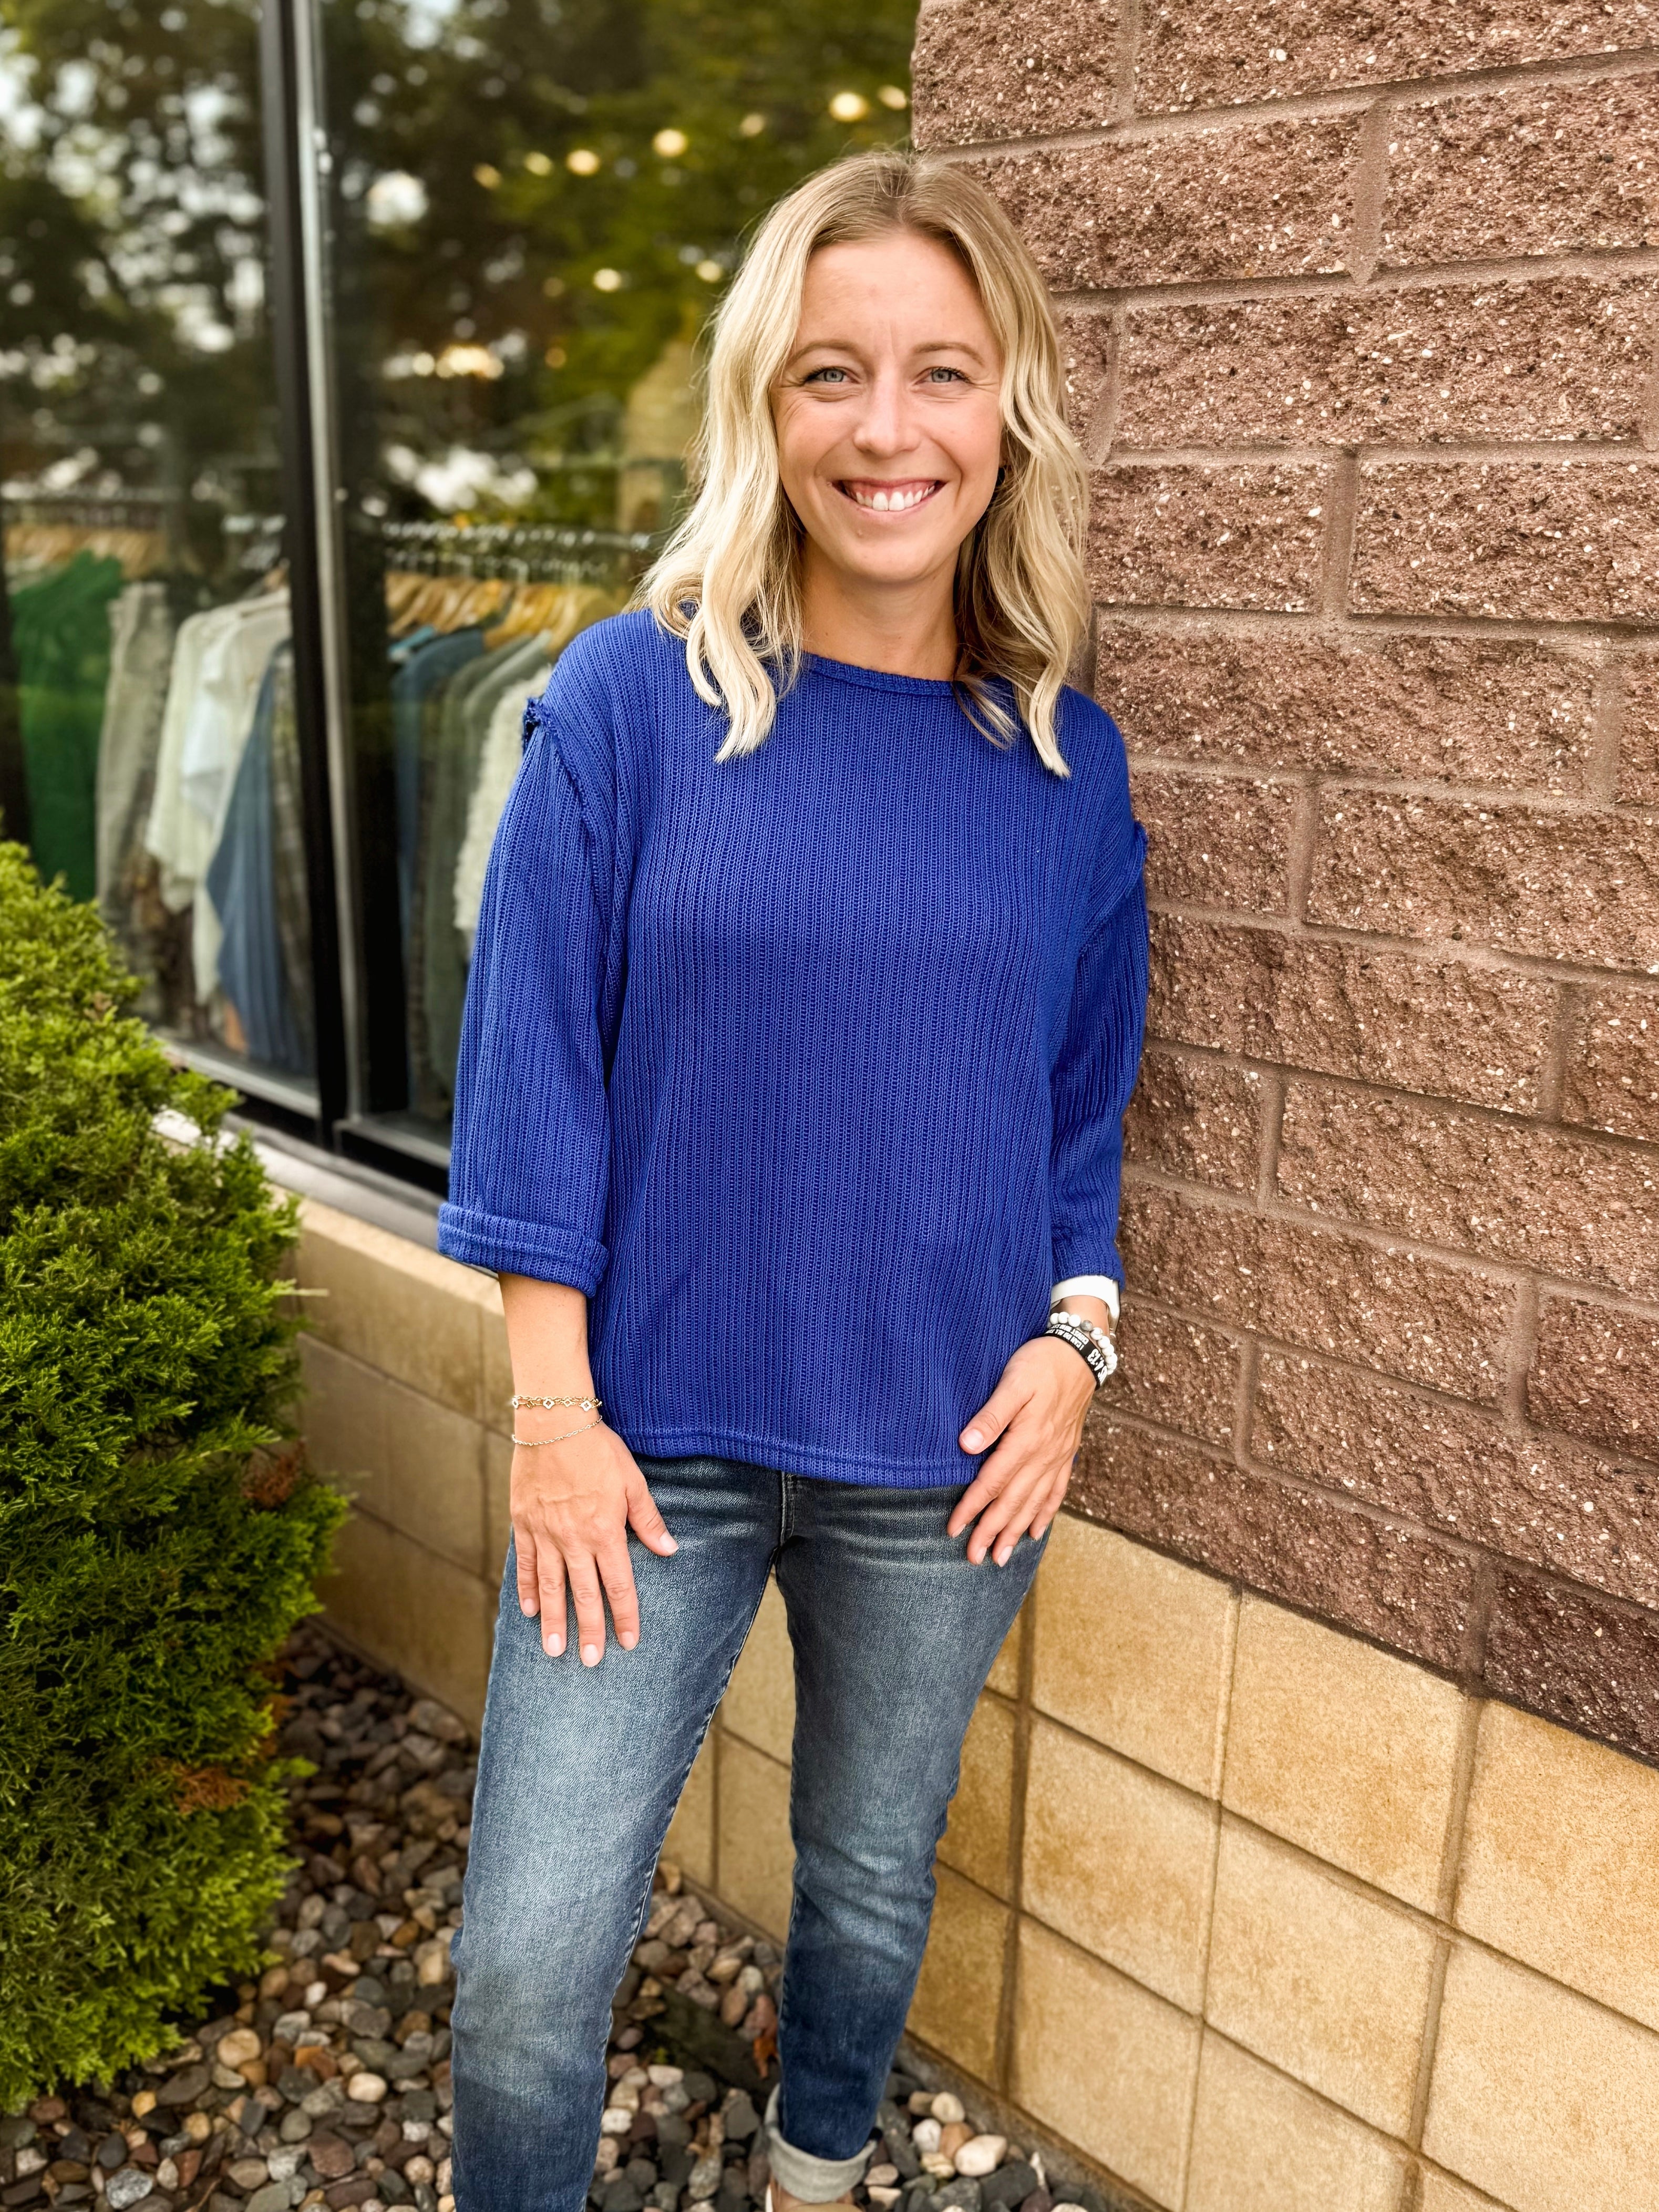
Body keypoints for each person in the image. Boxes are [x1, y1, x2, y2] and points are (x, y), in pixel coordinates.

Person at [436, 147, 1149, 2212]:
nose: (885, 428)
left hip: (945, 1460)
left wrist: (1077, 1344)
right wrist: (551, 1415)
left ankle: (817, 2168)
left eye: (941, 372)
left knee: (864, 1876)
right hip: (637, 1448)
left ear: (1006, 412)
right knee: (524, 1969)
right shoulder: (627, 700)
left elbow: (1076, 1116)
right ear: (767, 402)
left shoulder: (1064, 769)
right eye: (833, 371)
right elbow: (532, 1074)